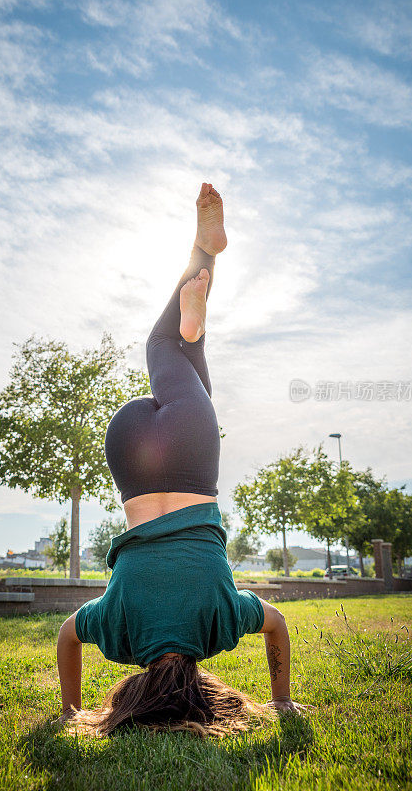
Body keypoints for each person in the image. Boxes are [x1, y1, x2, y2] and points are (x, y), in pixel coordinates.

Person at [56, 183, 310, 737]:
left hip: (194, 451)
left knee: (166, 349)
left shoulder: (220, 623)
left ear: (201, 689)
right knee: (178, 356)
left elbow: (278, 625)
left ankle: (205, 254)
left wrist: (282, 700)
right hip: (129, 450)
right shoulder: (119, 630)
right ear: (135, 694)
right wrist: (72, 711)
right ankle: (196, 319)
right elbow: (66, 637)